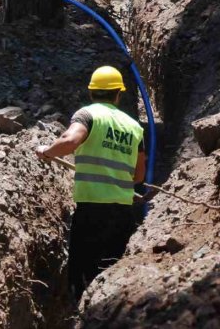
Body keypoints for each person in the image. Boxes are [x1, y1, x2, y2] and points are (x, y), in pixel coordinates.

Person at [35, 65, 146, 300]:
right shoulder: (134, 127)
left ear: (92, 92)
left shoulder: (88, 115)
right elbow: (138, 176)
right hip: (123, 214)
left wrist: (47, 151)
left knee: (81, 277)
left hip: (92, 212)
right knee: (111, 275)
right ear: (118, 93)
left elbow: (70, 140)